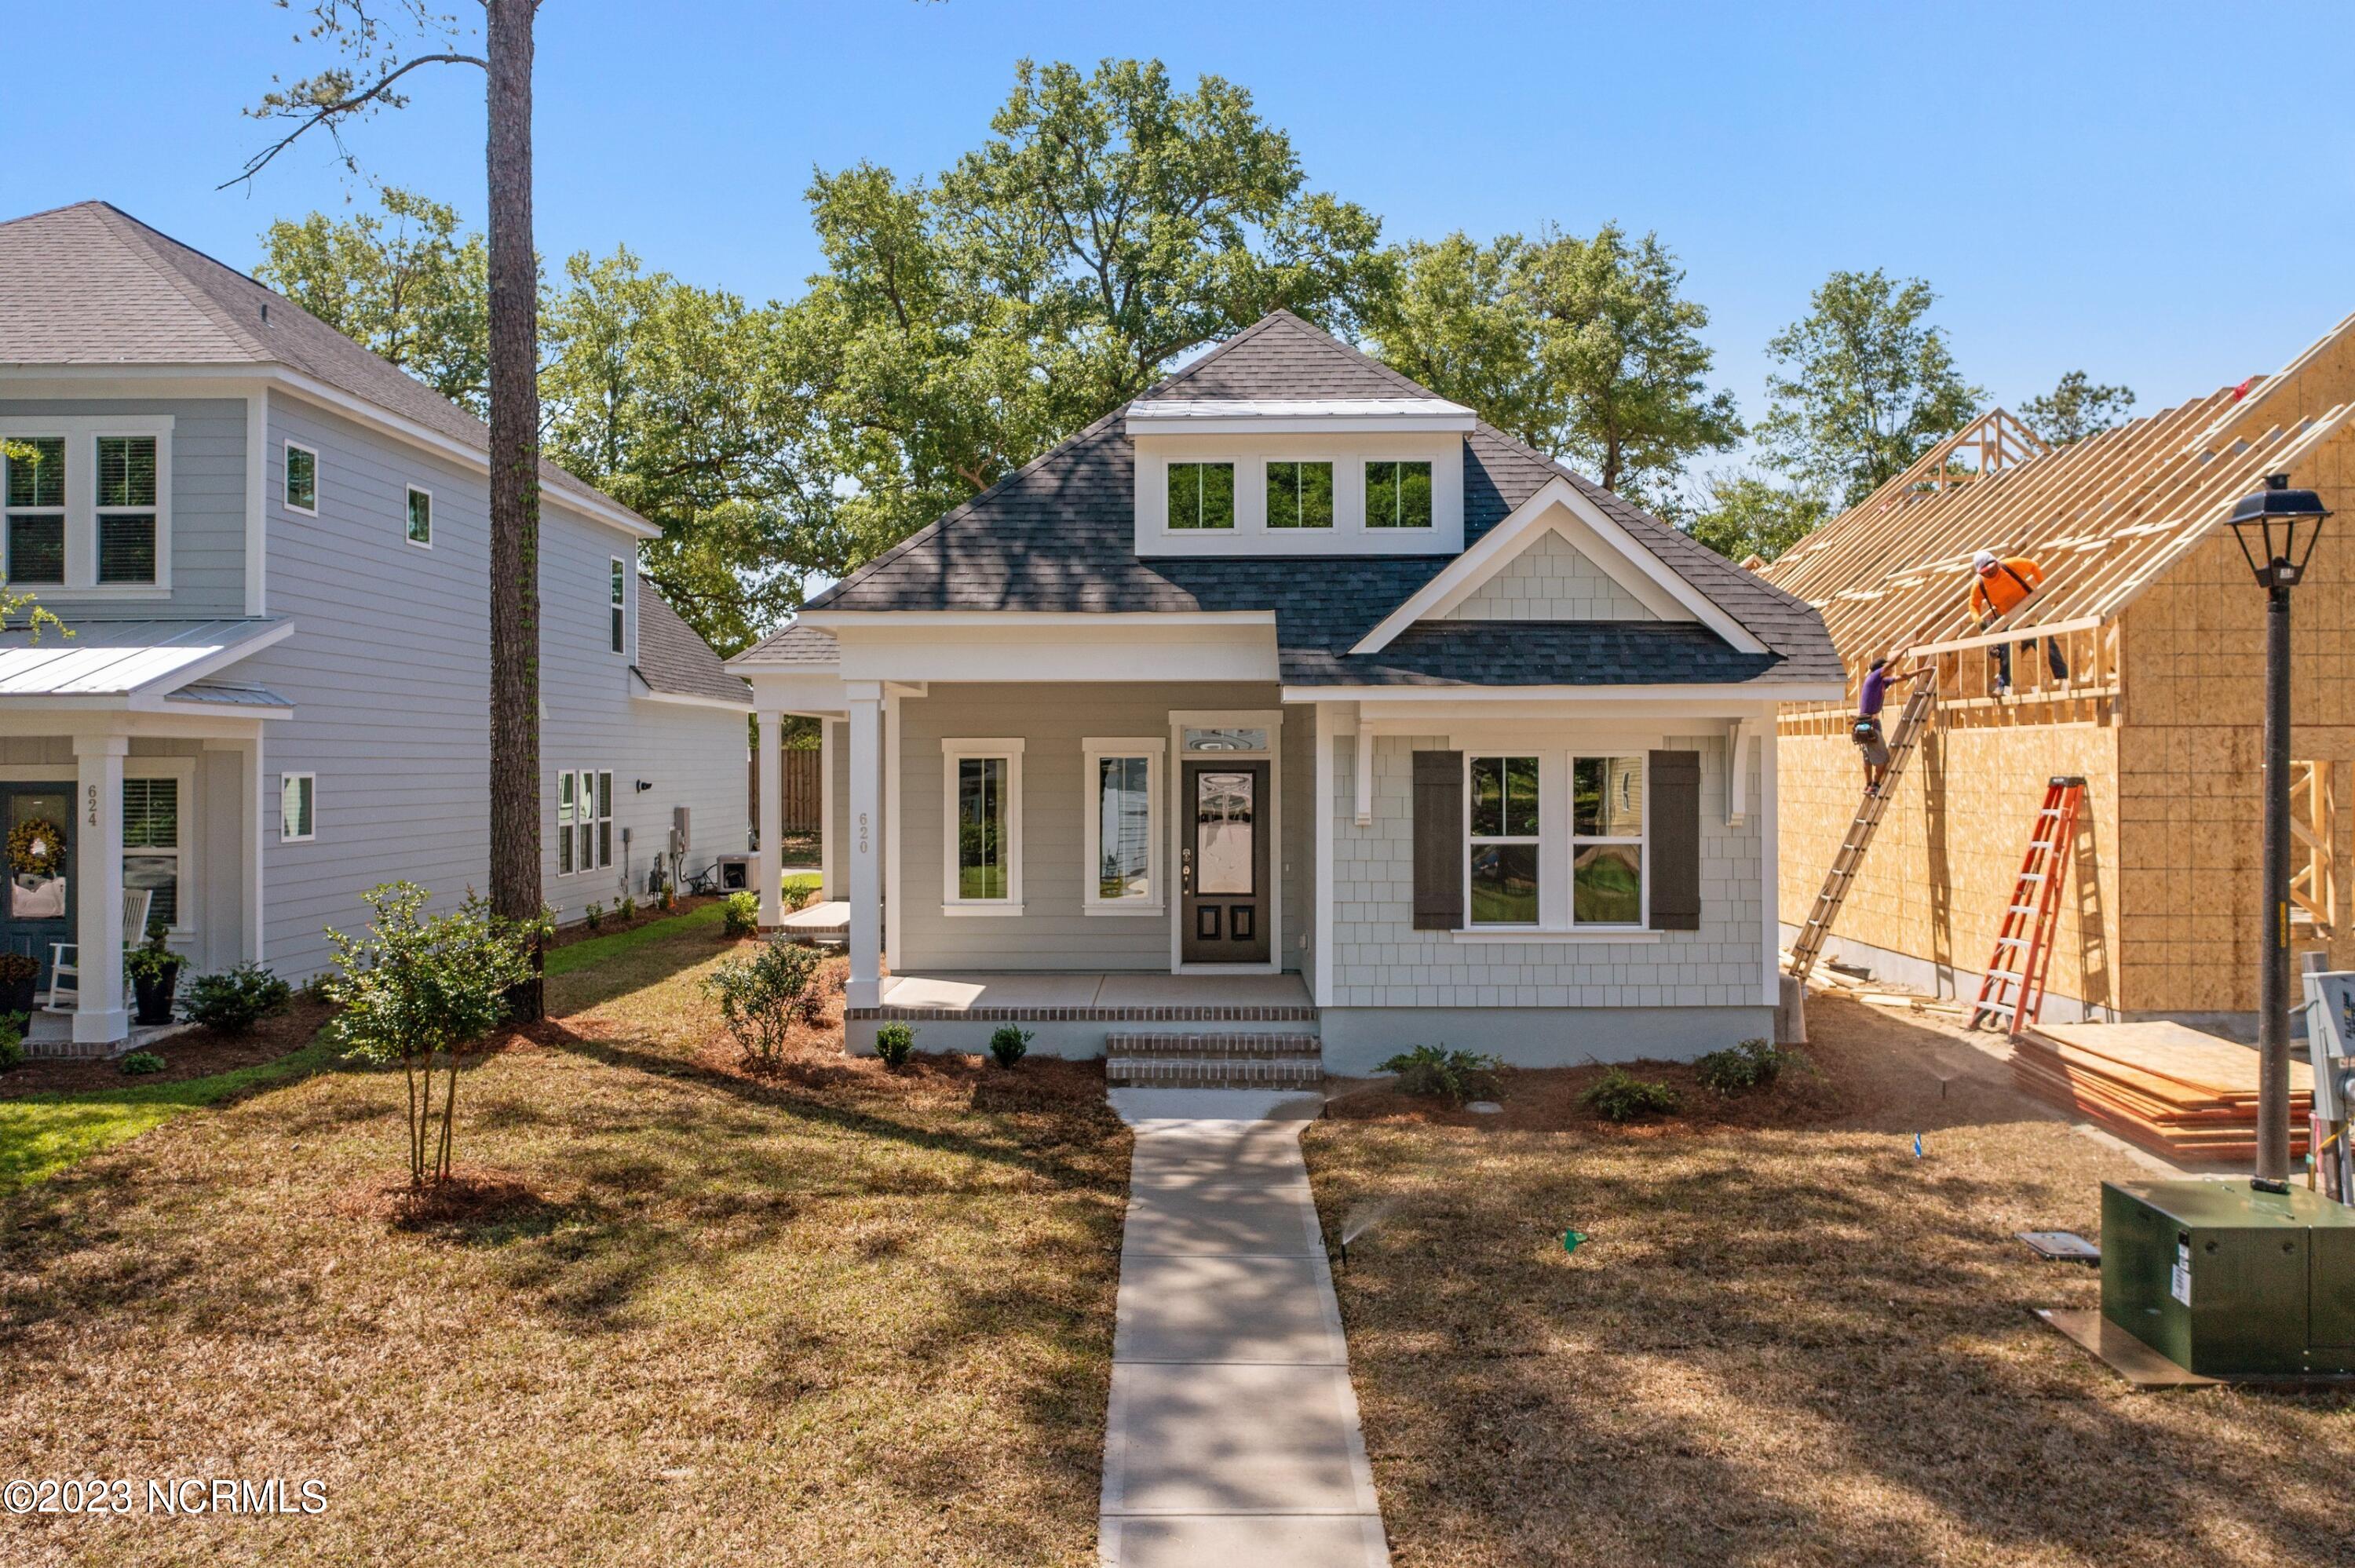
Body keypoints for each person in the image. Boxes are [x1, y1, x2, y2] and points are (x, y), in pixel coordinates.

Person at [1970, 548, 2068, 695]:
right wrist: (1980, 623)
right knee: (2007, 652)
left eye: (1992, 569)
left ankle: (2063, 680)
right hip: (2010, 617)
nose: (1990, 573)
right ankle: (2004, 687)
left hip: (2030, 609)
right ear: (1980, 573)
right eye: (1986, 573)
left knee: (2046, 645)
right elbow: (1973, 605)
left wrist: (2042, 587)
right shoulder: (1979, 585)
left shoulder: (2009, 565)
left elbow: (2033, 565)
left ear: (1996, 562)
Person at [1852, 650, 1926, 795]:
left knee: (1868, 758)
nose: (1892, 670)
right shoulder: (1874, 677)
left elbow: (1903, 677)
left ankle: (1868, 785)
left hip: (1864, 724)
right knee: (1883, 759)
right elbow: (1893, 663)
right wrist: (1907, 647)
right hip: (1870, 724)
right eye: (1888, 668)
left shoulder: (1881, 682)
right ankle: (1874, 785)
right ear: (1881, 669)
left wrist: (1923, 670)